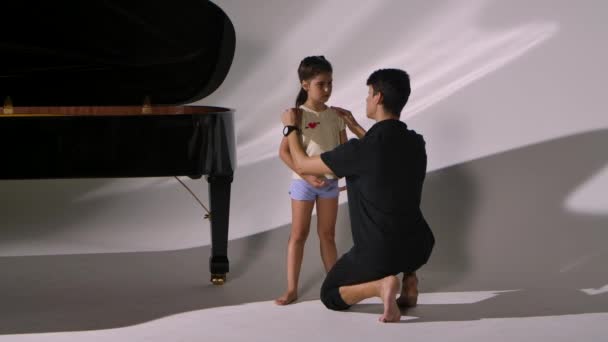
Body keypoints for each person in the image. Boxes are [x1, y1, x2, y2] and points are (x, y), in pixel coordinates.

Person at [280, 68, 435, 322]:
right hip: (419, 245)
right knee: (403, 221)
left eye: (368, 93)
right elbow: (382, 152)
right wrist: (355, 126)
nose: (366, 99)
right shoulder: (415, 142)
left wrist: (290, 129)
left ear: (378, 98)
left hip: (380, 254)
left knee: (329, 294)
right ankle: (409, 279)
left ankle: (381, 287)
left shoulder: (359, 152)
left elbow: (302, 163)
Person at [275, 56, 347, 305]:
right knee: (299, 234)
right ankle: (292, 289)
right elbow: (283, 152)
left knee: (327, 235)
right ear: (305, 84)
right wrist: (306, 175)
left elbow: (344, 152)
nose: (327, 89)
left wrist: (348, 175)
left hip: (329, 185)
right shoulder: (297, 116)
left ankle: (335, 286)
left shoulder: (336, 116)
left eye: (330, 84)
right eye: (321, 84)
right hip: (303, 184)